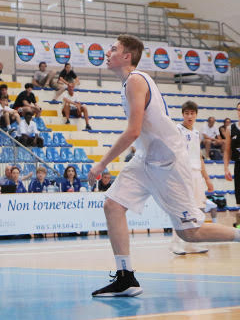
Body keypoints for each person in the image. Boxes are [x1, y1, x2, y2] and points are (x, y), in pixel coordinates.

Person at [87, 34, 240, 297]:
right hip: (147, 158)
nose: (107, 52)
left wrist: (101, 163)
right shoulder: (127, 83)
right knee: (112, 204)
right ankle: (126, 277)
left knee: (190, 233)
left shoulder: (135, 80)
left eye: (113, 49)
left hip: (168, 162)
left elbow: (133, 131)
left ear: (126, 56)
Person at [172, 100, 215, 255]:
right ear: (183, 114)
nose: (189, 116)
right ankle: (176, 243)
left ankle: (194, 243)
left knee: (198, 209)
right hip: (182, 173)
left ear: (196, 115)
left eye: (192, 113)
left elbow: (199, 157)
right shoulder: (177, 129)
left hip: (196, 174)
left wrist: (207, 178)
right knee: (182, 208)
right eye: (187, 113)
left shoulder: (196, 133)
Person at [223, 102, 240, 228]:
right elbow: (227, 149)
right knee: (239, 196)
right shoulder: (230, 129)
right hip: (238, 164)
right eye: (239, 109)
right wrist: (226, 168)